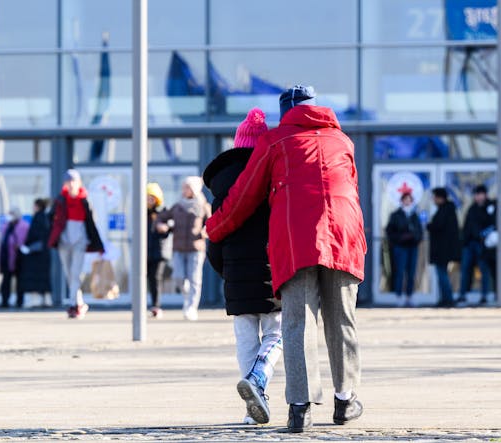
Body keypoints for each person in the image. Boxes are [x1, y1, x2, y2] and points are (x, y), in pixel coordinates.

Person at [206, 85, 367, 433]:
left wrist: (215, 228)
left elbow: (244, 197)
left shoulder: (274, 141)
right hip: (343, 233)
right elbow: (352, 190)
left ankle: (300, 408)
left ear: (285, 113)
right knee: (342, 319)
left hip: (296, 238)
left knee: (297, 321)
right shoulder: (343, 142)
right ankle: (345, 399)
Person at [203, 108, 283, 426]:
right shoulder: (273, 180)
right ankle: (259, 379)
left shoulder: (221, 188)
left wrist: (226, 272)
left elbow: (214, 238)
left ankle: (253, 407)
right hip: (272, 268)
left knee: (245, 337)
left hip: (235, 273)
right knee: (276, 331)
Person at [48, 169, 105, 319]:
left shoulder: (84, 201)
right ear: (65, 184)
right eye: (68, 181)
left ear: (79, 183)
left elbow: (92, 224)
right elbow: (50, 218)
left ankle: (73, 305)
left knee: (75, 273)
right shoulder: (60, 200)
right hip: (64, 242)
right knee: (68, 274)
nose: (71, 184)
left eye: (73, 181)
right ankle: (79, 303)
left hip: (80, 241)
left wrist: (99, 246)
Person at [156, 176, 211, 321]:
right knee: (178, 277)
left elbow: (211, 222)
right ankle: (187, 298)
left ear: (194, 189)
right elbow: (161, 217)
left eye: (187, 187)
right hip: (178, 248)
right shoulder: (177, 206)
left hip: (196, 248)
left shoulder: (203, 206)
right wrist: (162, 225)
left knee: (194, 279)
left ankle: (191, 308)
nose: (184, 190)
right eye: (183, 187)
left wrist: (207, 230)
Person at [457, 184, 495, 305]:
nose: (478, 197)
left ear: (484, 195)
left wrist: (482, 236)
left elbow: (493, 225)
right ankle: (463, 294)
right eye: (476, 195)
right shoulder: (472, 208)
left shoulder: (491, 208)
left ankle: (485, 295)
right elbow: (467, 226)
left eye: (480, 194)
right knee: (465, 269)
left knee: (484, 270)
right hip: (469, 244)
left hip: (482, 245)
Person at [385, 192, 423, 307]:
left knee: (411, 273)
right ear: (401, 201)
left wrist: (414, 237)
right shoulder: (396, 215)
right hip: (400, 248)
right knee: (400, 272)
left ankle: (409, 296)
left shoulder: (414, 215)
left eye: (409, 200)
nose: (407, 202)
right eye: (405, 199)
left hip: (412, 247)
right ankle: (398, 296)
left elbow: (419, 232)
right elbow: (390, 232)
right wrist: (401, 238)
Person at [427, 188, 461, 307]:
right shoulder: (448, 210)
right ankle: (445, 298)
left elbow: (438, 227)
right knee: (442, 274)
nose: (433, 200)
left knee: (442, 274)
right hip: (444, 250)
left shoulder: (445, 210)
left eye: (435, 197)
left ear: (440, 198)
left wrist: (429, 225)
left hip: (442, 250)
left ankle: (448, 299)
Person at [19, 199, 53, 307]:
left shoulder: (37, 218)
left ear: (37, 206)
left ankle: (36, 299)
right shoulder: (46, 217)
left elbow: (34, 234)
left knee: (35, 276)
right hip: (45, 251)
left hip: (36, 253)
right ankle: (46, 299)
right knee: (44, 276)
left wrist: (27, 245)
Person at [146, 182, 169, 319]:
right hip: (145, 251)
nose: (150, 200)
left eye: (152, 197)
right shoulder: (142, 212)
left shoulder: (163, 212)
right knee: (145, 278)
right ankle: (142, 305)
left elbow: (171, 227)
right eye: (148, 197)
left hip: (159, 251)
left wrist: (165, 227)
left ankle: (156, 306)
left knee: (155, 278)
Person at [0, 207, 29, 308]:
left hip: (18, 257)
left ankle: (20, 301)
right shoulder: (6, 226)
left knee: (20, 280)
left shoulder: (24, 226)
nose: (9, 216)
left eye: (11, 214)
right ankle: (4, 301)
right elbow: (3, 240)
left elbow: (25, 240)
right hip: (6, 256)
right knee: (6, 280)